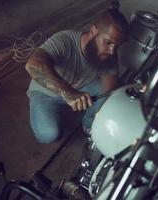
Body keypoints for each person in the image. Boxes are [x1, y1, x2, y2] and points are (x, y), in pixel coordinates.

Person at [25, 9, 129, 144]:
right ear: (93, 31)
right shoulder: (66, 39)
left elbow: (110, 89)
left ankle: (89, 123)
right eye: (108, 42)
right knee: (49, 135)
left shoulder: (110, 55)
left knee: (109, 93)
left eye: (117, 46)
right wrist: (68, 93)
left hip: (79, 90)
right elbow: (32, 65)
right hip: (45, 94)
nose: (112, 51)